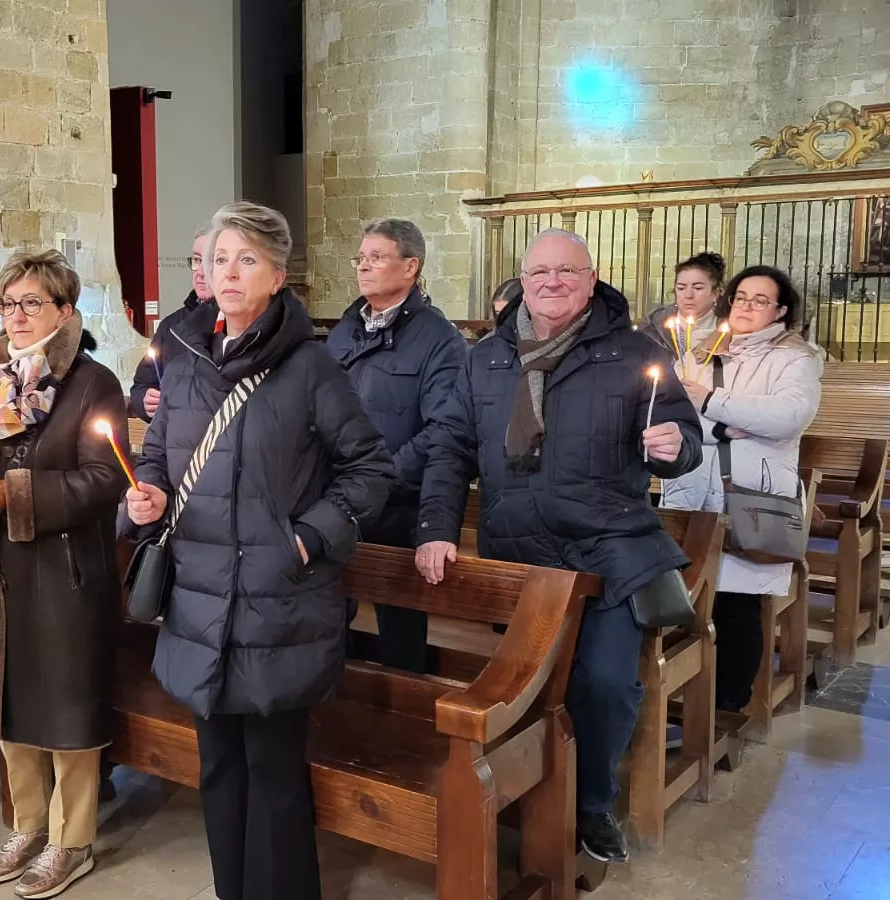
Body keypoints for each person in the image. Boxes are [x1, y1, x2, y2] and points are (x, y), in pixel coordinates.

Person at [124, 202, 393, 900]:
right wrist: (146, 497)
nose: (229, 272)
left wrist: (307, 538)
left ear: (277, 276)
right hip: (200, 596)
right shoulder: (183, 360)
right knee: (218, 768)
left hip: (279, 600)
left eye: (247, 260)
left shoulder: (309, 366)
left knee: (273, 773)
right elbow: (157, 456)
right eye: (219, 259)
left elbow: (369, 470)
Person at [414, 228, 703, 864]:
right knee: (526, 684)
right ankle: (527, 790)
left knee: (604, 682)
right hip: (521, 554)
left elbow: (684, 434)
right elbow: (450, 449)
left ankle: (590, 804)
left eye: (568, 271)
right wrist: (436, 527)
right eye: (540, 272)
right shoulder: (486, 358)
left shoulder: (632, 351)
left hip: (610, 548)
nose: (553, 282)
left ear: (591, 280)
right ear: (522, 280)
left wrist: (674, 447)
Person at [0, 249, 127, 899]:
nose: (15, 314)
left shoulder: (91, 383)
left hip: (63, 572)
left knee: (67, 711)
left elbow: (103, 481)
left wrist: (12, 494)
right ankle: (28, 824)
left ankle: (73, 840)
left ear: (65, 311)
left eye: (31, 303)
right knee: (7, 702)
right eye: (8, 303)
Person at [659, 265, 822, 713]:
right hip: (694, 487)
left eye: (760, 300)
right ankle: (685, 691)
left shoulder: (795, 358)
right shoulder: (700, 349)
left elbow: (787, 417)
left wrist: (711, 402)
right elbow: (671, 416)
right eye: (742, 297)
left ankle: (728, 704)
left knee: (736, 601)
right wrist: (727, 428)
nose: (747, 306)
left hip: (753, 493)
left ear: (780, 310)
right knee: (690, 597)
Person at [325, 218, 467, 673]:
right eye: (361, 258)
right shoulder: (345, 330)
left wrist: (379, 476)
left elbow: (443, 428)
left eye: (377, 257)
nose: (363, 267)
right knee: (327, 616)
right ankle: (337, 698)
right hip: (336, 498)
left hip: (397, 504)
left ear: (410, 267)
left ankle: (402, 706)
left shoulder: (439, 340)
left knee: (400, 633)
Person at [128, 222, 217, 421]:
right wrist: (145, 402)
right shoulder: (171, 326)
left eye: (211, 261)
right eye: (197, 260)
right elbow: (142, 384)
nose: (201, 272)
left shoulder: (238, 325)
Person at [644, 252, 725, 355]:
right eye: (681, 288)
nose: (688, 295)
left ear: (715, 293)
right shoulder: (654, 327)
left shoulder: (730, 328)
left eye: (698, 288)